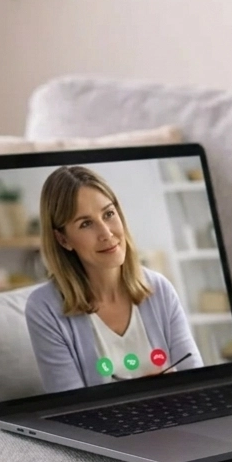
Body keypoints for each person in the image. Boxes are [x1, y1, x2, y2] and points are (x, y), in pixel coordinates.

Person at [25, 165, 202, 393]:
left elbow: (197, 380)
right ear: (63, 239)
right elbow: (71, 410)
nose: (106, 233)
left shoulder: (159, 288)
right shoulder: (44, 308)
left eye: (108, 214)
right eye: (86, 224)